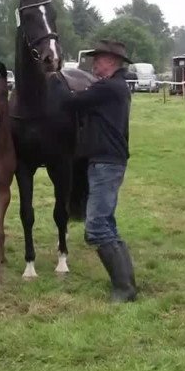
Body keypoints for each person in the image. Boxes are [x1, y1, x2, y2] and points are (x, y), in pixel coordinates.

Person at [62, 39, 137, 303]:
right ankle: (127, 283)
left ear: (113, 63)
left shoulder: (109, 88)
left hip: (107, 163)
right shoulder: (114, 87)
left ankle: (124, 288)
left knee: (95, 227)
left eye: (100, 59)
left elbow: (72, 102)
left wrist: (51, 82)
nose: (95, 63)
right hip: (106, 161)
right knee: (107, 224)